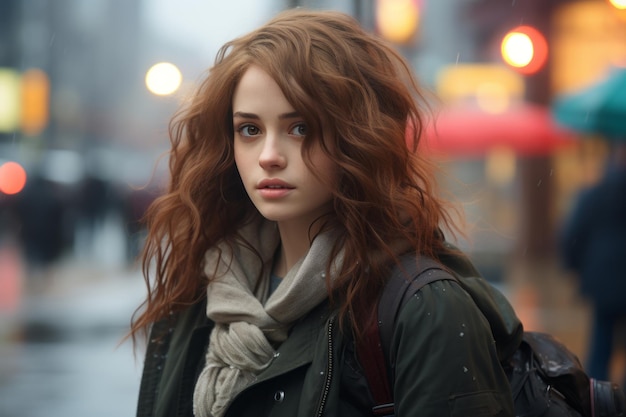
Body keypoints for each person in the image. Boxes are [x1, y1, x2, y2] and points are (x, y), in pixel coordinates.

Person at [130, 9, 523, 417]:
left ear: (356, 136)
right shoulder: (201, 290)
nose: (268, 157)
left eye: (300, 127)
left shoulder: (425, 309)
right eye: (250, 129)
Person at [560, 142, 626, 390]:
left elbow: (572, 235)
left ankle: (597, 399)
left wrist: (576, 269)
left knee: (600, 346)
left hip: (604, 285)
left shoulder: (594, 194)